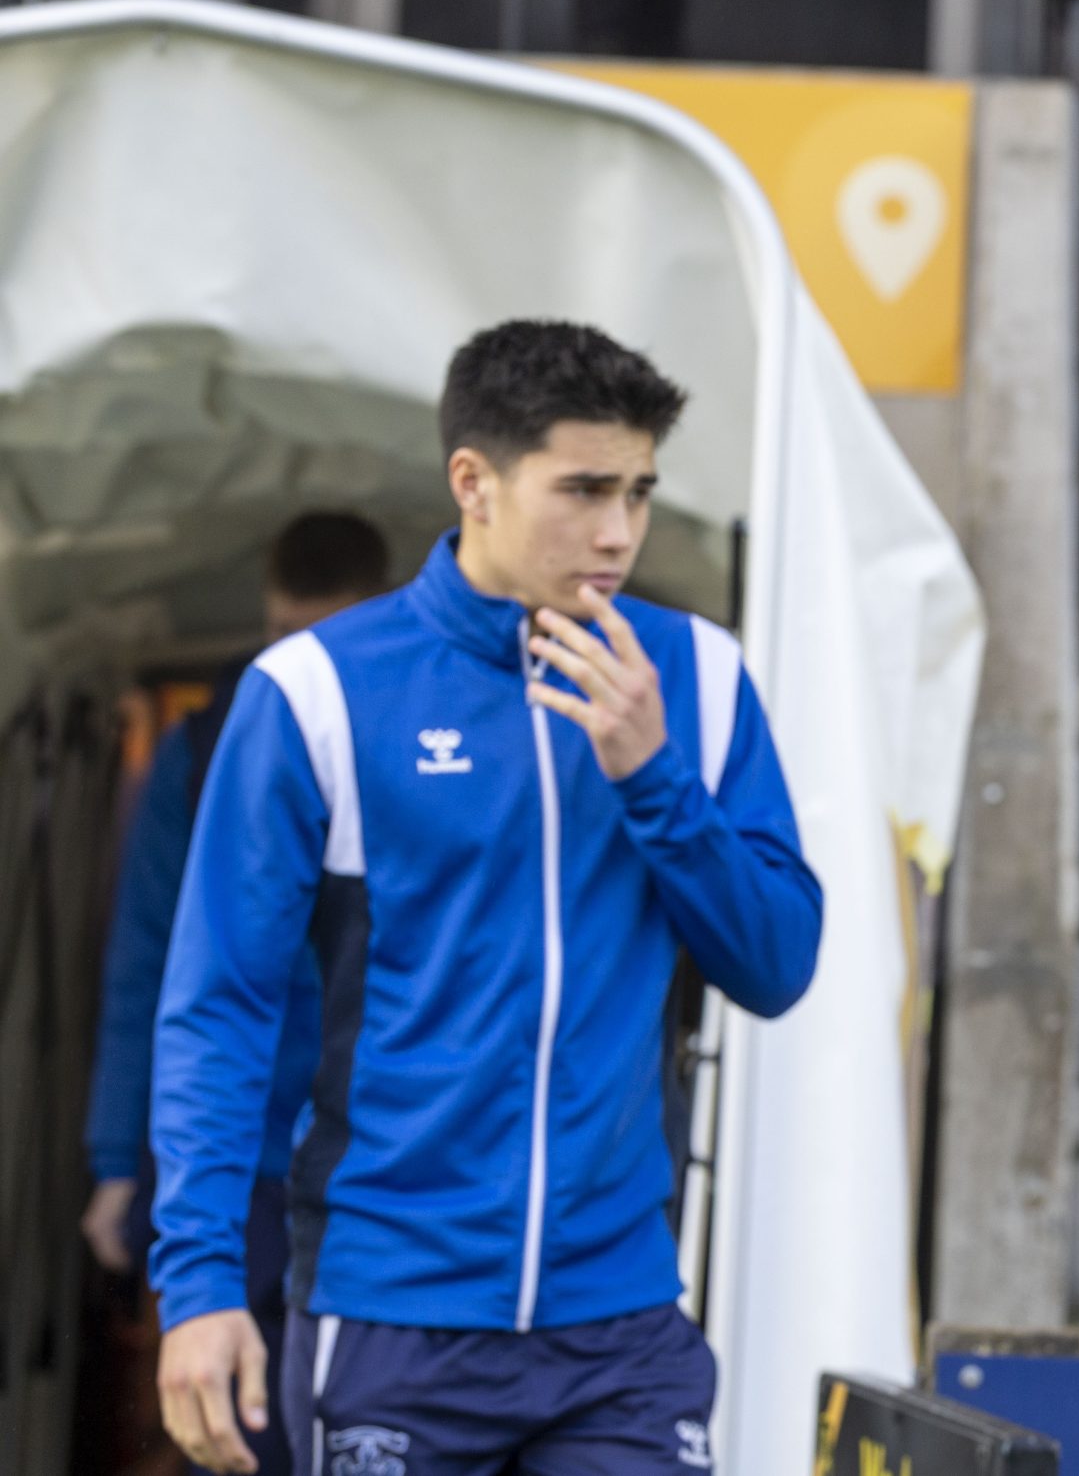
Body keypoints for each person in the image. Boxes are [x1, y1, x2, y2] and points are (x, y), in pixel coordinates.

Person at [148, 320, 824, 1475]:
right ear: (474, 482)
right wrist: (201, 1285)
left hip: (621, 1326)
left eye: (640, 493)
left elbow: (776, 964)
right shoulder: (315, 692)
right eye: (584, 490)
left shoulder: (698, 679)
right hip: (390, 1313)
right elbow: (219, 1007)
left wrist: (654, 779)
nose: (619, 533)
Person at [82, 512, 392, 1476]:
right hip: (246, 1158)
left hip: (387, 1165)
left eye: (319, 637)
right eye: (280, 635)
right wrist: (116, 1161)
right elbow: (150, 964)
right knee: (242, 1435)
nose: (295, 664)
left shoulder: (432, 738)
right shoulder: (204, 748)